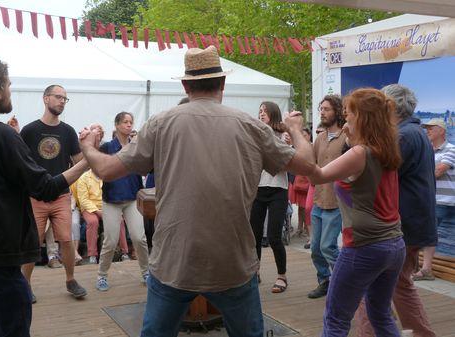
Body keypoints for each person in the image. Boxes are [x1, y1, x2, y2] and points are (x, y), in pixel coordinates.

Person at [79, 46, 316, 337]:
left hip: (174, 262)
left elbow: (105, 169)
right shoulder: (251, 126)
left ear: (185, 84)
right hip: (233, 262)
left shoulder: (161, 124)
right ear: (223, 84)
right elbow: (306, 164)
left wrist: (88, 146)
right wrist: (295, 128)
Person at [0, 56, 88, 337]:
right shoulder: (1, 136)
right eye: (9, 84)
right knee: (13, 330)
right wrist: (88, 158)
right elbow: (46, 188)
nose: (11, 90)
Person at [309, 88, 405, 336]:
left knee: (336, 319)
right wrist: (351, 139)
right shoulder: (386, 148)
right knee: (380, 314)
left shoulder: (360, 153)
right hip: (394, 245)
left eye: (348, 113)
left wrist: (295, 132)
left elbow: (318, 174)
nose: (345, 118)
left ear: (361, 117)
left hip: (364, 246)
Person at [356, 84, 437, 337]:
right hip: (411, 224)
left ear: (389, 107)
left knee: (366, 284)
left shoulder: (403, 136)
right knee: (398, 285)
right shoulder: (415, 132)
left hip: (401, 226)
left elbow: (373, 175)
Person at [20, 84, 87, 300]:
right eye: (58, 97)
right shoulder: (29, 130)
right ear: (45, 98)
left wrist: (89, 147)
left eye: (64, 99)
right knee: (33, 241)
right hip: (35, 197)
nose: (61, 101)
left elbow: (78, 163)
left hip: (60, 195)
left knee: (66, 240)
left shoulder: (67, 132)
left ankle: (70, 280)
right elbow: (19, 163)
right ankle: (25, 285)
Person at [95, 111, 149, 292]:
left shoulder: (136, 146)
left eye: (131, 122)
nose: (129, 125)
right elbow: (96, 167)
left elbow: (144, 169)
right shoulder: (108, 147)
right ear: (117, 125)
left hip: (132, 199)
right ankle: (102, 275)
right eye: (125, 122)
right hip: (111, 200)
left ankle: (146, 273)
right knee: (110, 241)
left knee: (139, 238)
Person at [308, 95, 347, 299]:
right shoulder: (320, 138)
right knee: (315, 249)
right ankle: (325, 281)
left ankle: (345, 282)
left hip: (336, 202)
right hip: (318, 201)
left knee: (327, 247)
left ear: (338, 112)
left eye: (327, 109)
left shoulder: (346, 137)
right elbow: (312, 163)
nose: (322, 112)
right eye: (321, 108)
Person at [250, 101, 290, 294]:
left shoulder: (283, 136)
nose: (261, 114)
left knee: (274, 236)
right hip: (258, 189)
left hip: (277, 189)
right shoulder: (255, 135)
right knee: (254, 235)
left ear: (273, 114)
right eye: (259, 111)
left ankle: (281, 276)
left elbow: (285, 163)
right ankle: (254, 271)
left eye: (264, 111)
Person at [413, 118, 455, 280]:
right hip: (432, 199)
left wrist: (416, 173)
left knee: (426, 234)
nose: (427, 131)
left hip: (444, 200)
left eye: (431, 128)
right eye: (426, 128)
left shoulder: (451, 149)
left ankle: (424, 269)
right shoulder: (427, 150)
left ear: (442, 131)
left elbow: (437, 171)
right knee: (426, 234)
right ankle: (423, 268)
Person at [77, 169, 103, 264]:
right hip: (89, 208)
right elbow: (83, 200)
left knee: (119, 220)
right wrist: (97, 211)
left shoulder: (107, 175)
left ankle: (123, 252)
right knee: (93, 222)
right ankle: (92, 255)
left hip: (106, 206)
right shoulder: (84, 178)